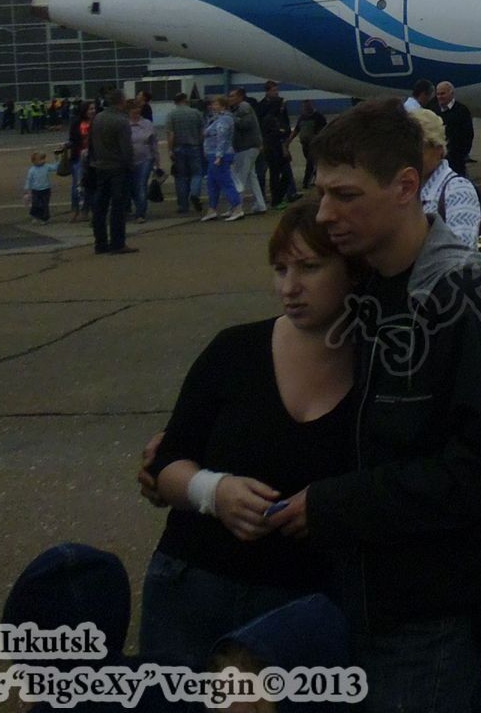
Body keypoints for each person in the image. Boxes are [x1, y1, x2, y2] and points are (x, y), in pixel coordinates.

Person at [279, 97, 481, 713]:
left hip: (428, 613)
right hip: (355, 594)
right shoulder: (358, 285)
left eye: (346, 195)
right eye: (321, 194)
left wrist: (335, 505)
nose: (326, 214)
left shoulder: (467, 298)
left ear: (406, 186)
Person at [139, 202, 358, 668]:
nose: (289, 288)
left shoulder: (384, 370)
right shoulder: (234, 351)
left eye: (310, 268)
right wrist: (214, 493)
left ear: (354, 270)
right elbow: (164, 464)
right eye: (280, 269)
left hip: (305, 608)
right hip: (195, 588)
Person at [413, 109, 481, 244]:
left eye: (420, 148)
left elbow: (462, 252)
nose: (412, 155)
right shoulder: (405, 188)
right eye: (407, 148)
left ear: (438, 150)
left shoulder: (458, 190)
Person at [89, 88, 138, 254]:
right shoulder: (121, 121)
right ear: (121, 101)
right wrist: (130, 165)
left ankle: (100, 243)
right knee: (118, 207)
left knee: (100, 207)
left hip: (100, 166)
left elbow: (92, 143)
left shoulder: (98, 118)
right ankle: (118, 243)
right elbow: (126, 148)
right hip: (118, 167)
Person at [228, 87, 267, 216]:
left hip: (246, 147)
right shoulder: (242, 108)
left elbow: (245, 124)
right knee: (251, 176)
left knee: (240, 179)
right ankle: (260, 204)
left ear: (240, 97)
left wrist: (231, 118)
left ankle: (236, 206)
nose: (230, 99)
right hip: (250, 146)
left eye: (232, 96)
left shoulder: (243, 108)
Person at [166, 91, 206, 216]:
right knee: (197, 174)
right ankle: (194, 193)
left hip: (178, 148)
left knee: (181, 177)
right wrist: (201, 145)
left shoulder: (171, 115)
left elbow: (171, 134)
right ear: (186, 100)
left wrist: (170, 149)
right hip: (195, 146)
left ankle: (183, 205)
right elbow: (202, 132)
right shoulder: (196, 113)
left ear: (175, 102)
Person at [259, 80, 297, 208]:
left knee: (284, 173)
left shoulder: (278, 111)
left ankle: (282, 196)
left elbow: (285, 123)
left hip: (279, 144)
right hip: (274, 146)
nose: (276, 93)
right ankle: (277, 199)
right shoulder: (265, 111)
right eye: (274, 90)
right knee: (276, 173)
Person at [434, 82, 476, 180]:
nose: (440, 97)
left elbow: (468, 134)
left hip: (457, 160)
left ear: (451, 94)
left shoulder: (461, 110)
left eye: (443, 94)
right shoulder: (434, 111)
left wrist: (462, 154)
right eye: (438, 94)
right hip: (439, 161)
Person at [130, 97, 161, 224]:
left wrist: (157, 161)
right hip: (129, 160)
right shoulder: (124, 124)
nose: (136, 112)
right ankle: (137, 206)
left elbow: (154, 143)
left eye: (138, 109)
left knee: (141, 185)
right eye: (133, 110)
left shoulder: (147, 124)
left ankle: (140, 213)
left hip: (146, 159)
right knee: (132, 187)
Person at [294, 101, 328, 189]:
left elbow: (324, 130)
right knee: (312, 163)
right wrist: (288, 142)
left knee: (310, 163)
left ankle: (306, 182)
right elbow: (296, 130)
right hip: (305, 145)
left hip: (314, 144)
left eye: (306, 106)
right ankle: (317, 178)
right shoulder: (302, 117)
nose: (305, 108)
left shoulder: (318, 117)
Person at [24, 150, 58, 223]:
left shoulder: (47, 166)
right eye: (41, 159)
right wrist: (27, 188)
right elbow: (29, 179)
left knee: (45, 204)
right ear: (34, 161)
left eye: (44, 159)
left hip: (46, 189)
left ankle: (44, 218)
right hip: (35, 190)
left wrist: (57, 159)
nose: (44, 161)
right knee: (35, 204)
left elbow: (55, 167)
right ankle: (36, 216)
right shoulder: (32, 170)